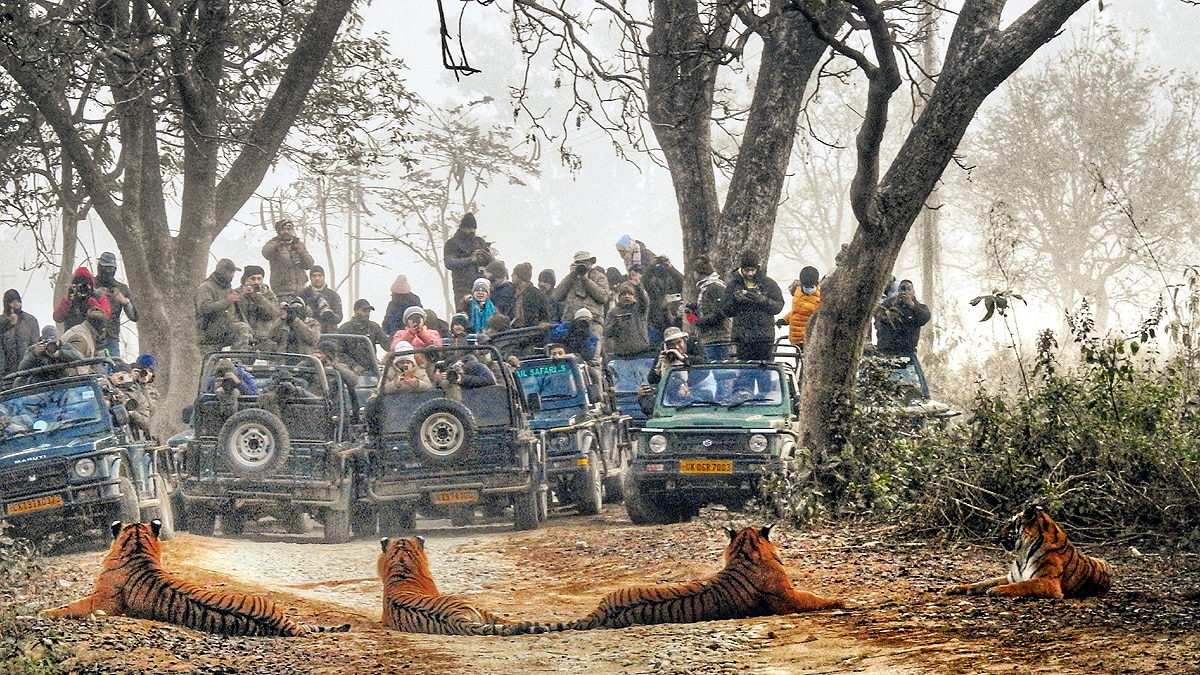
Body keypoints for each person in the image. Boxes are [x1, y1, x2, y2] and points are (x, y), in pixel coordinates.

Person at [720, 249, 785, 361]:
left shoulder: (768, 283)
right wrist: (735, 301)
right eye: (747, 270)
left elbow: (778, 306)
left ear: (757, 268)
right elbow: (725, 310)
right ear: (741, 269)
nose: (750, 273)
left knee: (764, 373)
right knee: (745, 373)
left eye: (752, 270)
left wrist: (763, 300)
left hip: (764, 338)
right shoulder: (733, 285)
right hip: (742, 339)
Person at [195, 258, 252, 352]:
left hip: (225, 329)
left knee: (242, 328)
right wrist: (227, 301)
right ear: (223, 272)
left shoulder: (227, 288)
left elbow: (237, 312)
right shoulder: (206, 287)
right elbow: (204, 308)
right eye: (230, 273)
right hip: (208, 333)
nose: (232, 276)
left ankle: (236, 362)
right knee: (209, 362)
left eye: (233, 273)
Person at [91, 251, 139, 357]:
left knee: (115, 367)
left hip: (111, 337)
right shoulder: (90, 284)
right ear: (100, 267)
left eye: (111, 269)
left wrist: (125, 302)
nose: (108, 271)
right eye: (105, 268)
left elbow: (135, 316)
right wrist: (95, 293)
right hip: (91, 335)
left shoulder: (121, 289)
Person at [687, 254, 732, 361]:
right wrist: (695, 308)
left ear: (699, 273)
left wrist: (700, 322)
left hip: (718, 337)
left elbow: (720, 312)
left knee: (718, 370)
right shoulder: (706, 287)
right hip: (710, 337)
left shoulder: (714, 287)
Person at [874, 278, 931, 357]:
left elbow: (924, 318)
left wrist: (912, 305)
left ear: (913, 292)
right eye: (903, 289)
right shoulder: (888, 304)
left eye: (908, 289)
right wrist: (895, 303)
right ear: (898, 290)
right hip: (886, 350)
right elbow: (879, 316)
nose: (905, 292)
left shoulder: (919, 307)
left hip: (907, 351)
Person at [443, 213, 493, 302]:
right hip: (462, 287)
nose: (472, 231)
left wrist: (489, 257)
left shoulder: (479, 242)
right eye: (469, 228)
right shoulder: (452, 243)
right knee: (464, 313)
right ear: (462, 228)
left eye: (474, 228)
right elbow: (449, 263)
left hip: (482, 286)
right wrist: (470, 259)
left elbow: (493, 264)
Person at [552, 251, 610, 323]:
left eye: (585, 262)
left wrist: (586, 280)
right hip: (571, 320)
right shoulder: (570, 278)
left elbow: (603, 297)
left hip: (593, 319)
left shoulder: (599, 277)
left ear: (590, 264)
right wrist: (570, 277)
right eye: (579, 263)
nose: (582, 266)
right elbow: (556, 297)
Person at [233, 265, 283, 350]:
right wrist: (244, 296)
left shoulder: (268, 294)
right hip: (244, 336)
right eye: (253, 279)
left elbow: (274, 314)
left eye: (259, 279)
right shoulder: (236, 293)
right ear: (246, 280)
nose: (256, 282)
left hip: (265, 336)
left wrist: (258, 298)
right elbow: (236, 313)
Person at [261, 219, 314, 296]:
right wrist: (277, 247)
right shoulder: (273, 243)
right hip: (281, 289)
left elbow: (309, 265)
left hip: (300, 288)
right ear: (278, 231)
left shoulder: (298, 244)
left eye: (288, 229)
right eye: (283, 229)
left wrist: (302, 253)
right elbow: (265, 252)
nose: (286, 231)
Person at [14, 327, 84, 382]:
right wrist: (34, 354)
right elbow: (22, 368)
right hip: (40, 382)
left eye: (54, 342)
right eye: (47, 342)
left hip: (62, 380)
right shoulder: (34, 349)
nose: (51, 345)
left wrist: (59, 353)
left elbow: (80, 358)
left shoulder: (65, 347)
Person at [53, 267, 112, 332]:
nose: (82, 288)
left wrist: (91, 302)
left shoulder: (98, 297)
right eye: (79, 285)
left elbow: (106, 315)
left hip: (93, 335)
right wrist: (68, 301)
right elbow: (57, 318)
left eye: (85, 285)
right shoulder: (71, 299)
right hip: (72, 334)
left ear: (91, 285)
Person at [604, 281, 650, 358]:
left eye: (630, 294)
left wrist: (638, 287)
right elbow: (607, 333)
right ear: (619, 297)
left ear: (634, 296)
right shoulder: (612, 312)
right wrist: (615, 324)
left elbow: (644, 301)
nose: (627, 296)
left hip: (642, 350)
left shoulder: (639, 308)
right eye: (623, 294)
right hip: (622, 354)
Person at [1, 289, 40, 378]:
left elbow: (34, 344)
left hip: (29, 369)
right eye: (12, 302)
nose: (16, 304)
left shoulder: (30, 320)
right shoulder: (1, 322)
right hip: (6, 372)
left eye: (18, 301)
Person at [779, 266, 821, 347]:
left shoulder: (821, 296)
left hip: (810, 337)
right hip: (797, 337)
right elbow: (797, 311)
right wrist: (785, 320)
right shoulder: (797, 292)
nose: (808, 289)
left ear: (816, 283)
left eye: (811, 287)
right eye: (805, 286)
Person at [339, 298, 390, 366]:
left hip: (372, 367)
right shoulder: (344, 329)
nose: (366, 314)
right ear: (355, 310)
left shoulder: (374, 327)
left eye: (368, 311)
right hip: (350, 369)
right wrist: (354, 366)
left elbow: (386, 343)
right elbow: (340, 353)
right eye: (364, 311)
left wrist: (396, 347)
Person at [644, 254, 684, 338]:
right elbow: (644, 282)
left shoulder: (672, 278)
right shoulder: (651, 280)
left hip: (673, 318)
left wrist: (671, 267)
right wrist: (651, 266)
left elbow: (683, 282)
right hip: (656, 319)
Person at [298, 265, 343, 333]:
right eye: (314, 276)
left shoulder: (333, 295)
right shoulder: (303, 295)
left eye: (320, 275)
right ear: (310, 278)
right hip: (308, 332)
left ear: (324, 277)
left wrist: (330, 315)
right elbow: (298, 316)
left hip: (329, 333)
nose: (317, 278)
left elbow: (339, 316)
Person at [510, 262, 551, 329]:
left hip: (530, 333)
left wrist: (543, 324)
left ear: (519, 277)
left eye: (514, 274)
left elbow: (545, 317)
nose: (511, 275)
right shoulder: (510, 292)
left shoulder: (537, 294)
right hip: (511, 333)